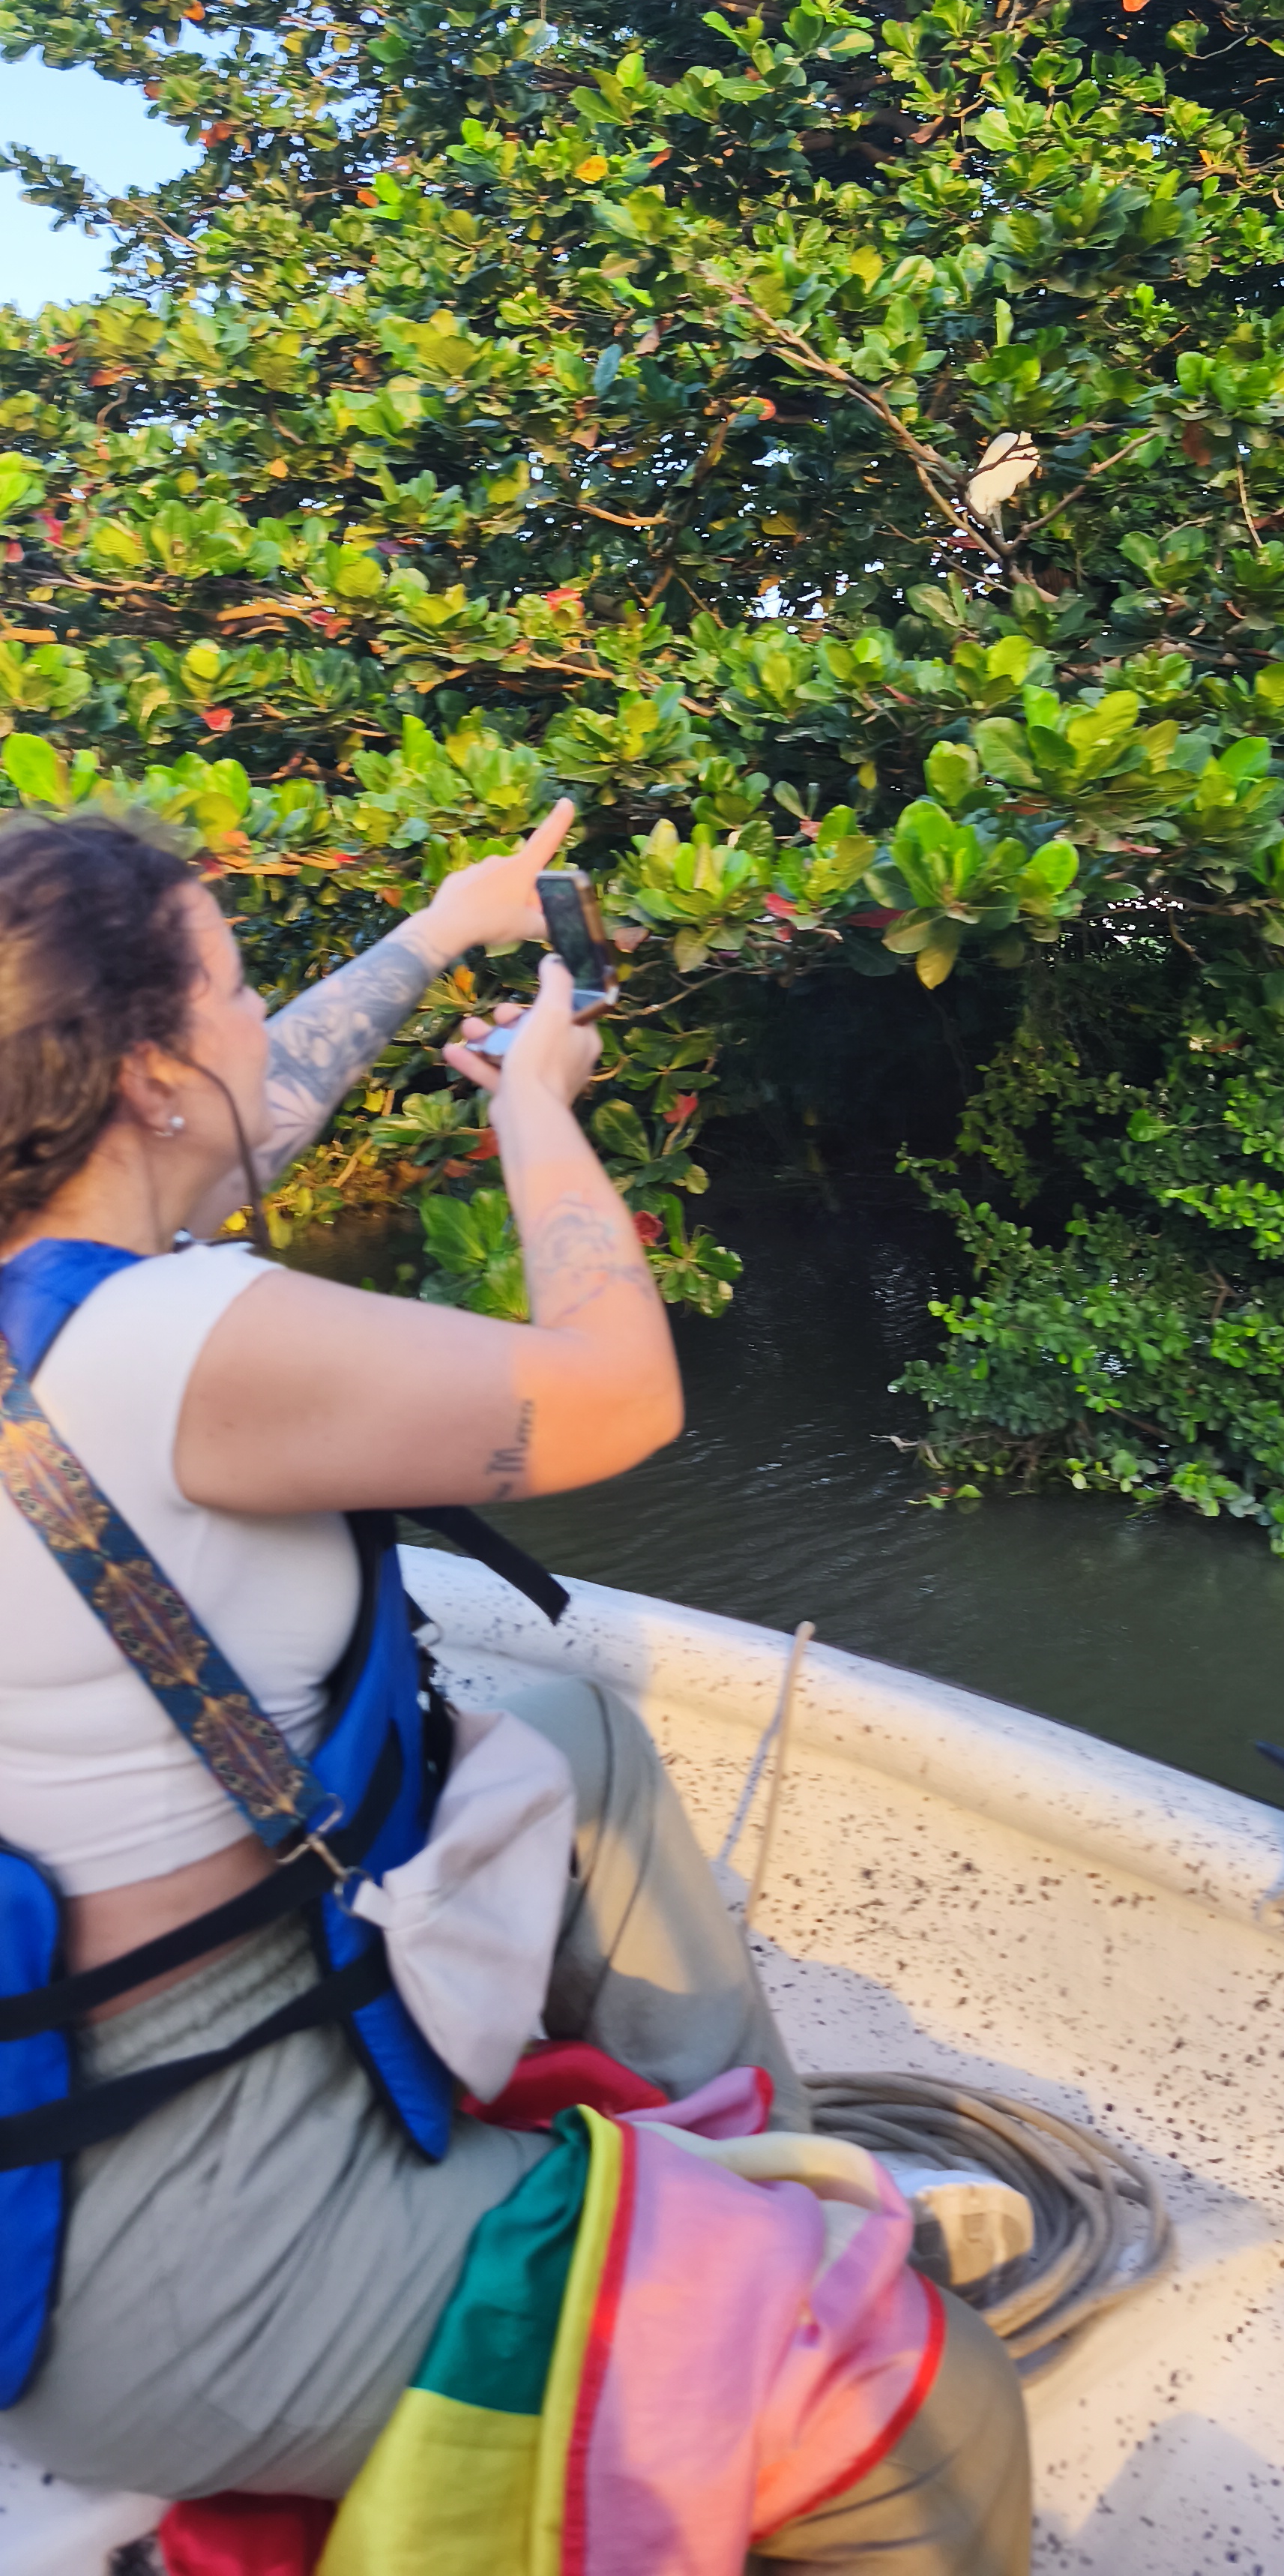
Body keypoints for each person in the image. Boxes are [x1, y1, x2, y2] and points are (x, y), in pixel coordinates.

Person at [0, 803, 1030, 2574]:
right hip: (179, 2236)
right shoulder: (160, 1346)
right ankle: (785, 2296)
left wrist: (447, 926)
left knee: (570, 1735)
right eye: (235, 986)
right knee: (920, 2411)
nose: (264, 1023)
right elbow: (615, 1392)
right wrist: (535, 1112)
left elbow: (256, 1099)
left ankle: (743, 2176)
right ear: (148, 1077)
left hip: (89, 2092)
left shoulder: (56, 1285)